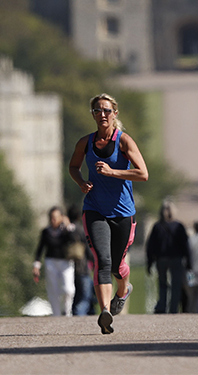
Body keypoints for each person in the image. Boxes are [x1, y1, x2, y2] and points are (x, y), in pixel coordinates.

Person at [68, 93, 149, 335]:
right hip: (95, 210)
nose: (102, 114)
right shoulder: (85, 142)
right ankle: (105, 311)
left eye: (106, 110)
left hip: (123, 212)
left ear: (115, 113)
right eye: (97, 110)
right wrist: (81, 182)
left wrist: (113, 172)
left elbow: (143, 173)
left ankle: (123, 291)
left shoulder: (124, 141)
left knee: (117, 266)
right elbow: (73, 166)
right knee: (101, 260)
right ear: (93, 115)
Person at [146, 199, 190, 314]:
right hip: (176, 258)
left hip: (161, 259)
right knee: (176, 285)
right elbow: (185, 245)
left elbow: (151, 245)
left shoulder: (157, 226)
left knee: (162, 284)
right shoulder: (179, 226)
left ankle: (162, 306)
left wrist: (150, 262)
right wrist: (188, 261)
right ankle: (173, 308)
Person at [33, 206, 76, 316]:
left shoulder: (66, 231)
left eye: (56, 217)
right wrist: (36, 265)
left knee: (68, 289)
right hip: (51, 262)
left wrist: (68, 226)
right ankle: (56, 314)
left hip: (66, 262)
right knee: (53, 290)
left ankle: (67, 310)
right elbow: (40, 248)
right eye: (52, 218)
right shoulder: (46, 232)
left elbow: (75, 240)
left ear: (61, 217)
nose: (54, 220)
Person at [67, 204, 96, 316]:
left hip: (68, 268)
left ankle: (73, 313)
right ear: (78, 217)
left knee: (74, 296)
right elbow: (88, 249)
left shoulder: (65, 230)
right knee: (84, 297)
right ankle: (79, 316)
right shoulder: (80, 230)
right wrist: (94, 262)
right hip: (82, 269)